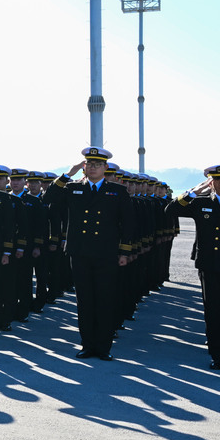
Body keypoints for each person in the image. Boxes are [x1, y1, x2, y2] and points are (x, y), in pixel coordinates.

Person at [53, 147, 134, 361]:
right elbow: (48, 198)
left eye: (97, 164)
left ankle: (103, 347)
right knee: (85, 301)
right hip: (80, 253)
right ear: (84, 167)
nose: (93, 168)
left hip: (106, 253)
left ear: (105, 168)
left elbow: (128, 224)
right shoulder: (72, 188)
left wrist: (124, 252)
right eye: (89, 164)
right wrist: (68, 174)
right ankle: (87, 345)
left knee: (105, 300)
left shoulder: (117, 191)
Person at [165, 165, 220, 370]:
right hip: (210, 263)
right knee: (213, 310)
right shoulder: (202, 202)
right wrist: (193, 192)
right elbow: (171, 210)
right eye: (217, 180)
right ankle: (217, 354)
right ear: (211, 182)